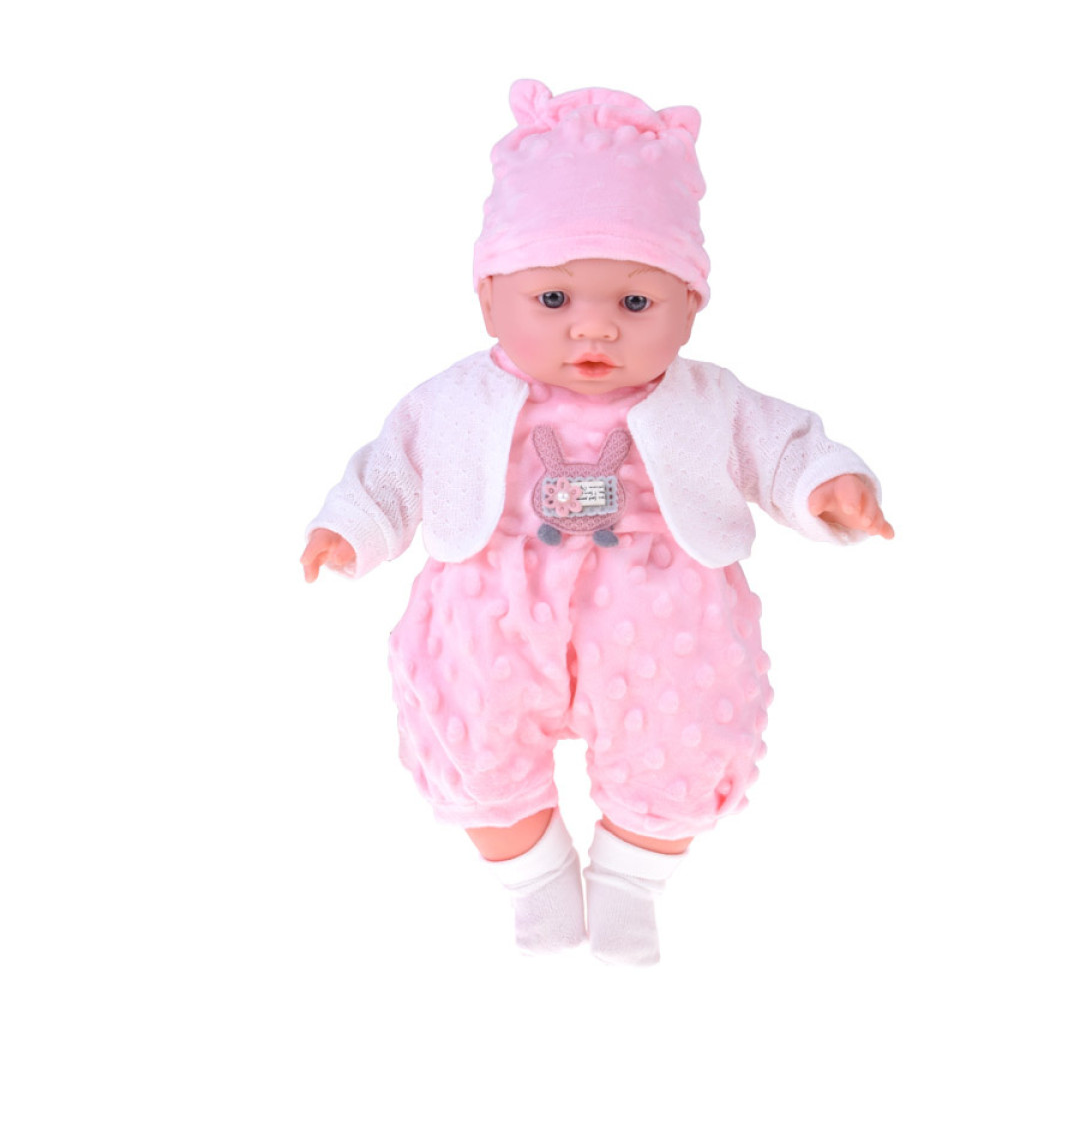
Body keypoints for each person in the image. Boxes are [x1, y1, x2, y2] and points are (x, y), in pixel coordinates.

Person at [301, 80, 892, 965]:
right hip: (490, 603)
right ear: (487, 297)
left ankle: (630, 880)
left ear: (692, 305)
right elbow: (393, 466)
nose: (595, 331)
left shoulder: (709, 398)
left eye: (635, 303)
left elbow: (780, 447)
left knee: (691, 735)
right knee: (467, 731)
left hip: (664, 609)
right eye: (553, 301)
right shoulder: (453, 399)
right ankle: (533, 876)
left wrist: (826, 485)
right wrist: (353, 525)